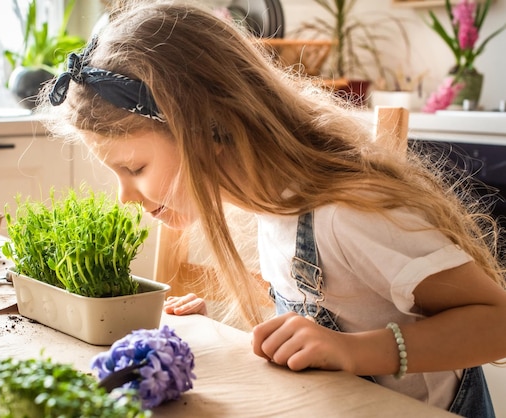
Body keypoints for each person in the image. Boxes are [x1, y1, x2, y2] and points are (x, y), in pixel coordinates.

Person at [39, 0, 506, 415]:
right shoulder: (266, 200)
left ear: (207, 126)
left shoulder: (347, 215)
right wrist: (247, 315)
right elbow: (337, 301)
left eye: (135, 167)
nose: (126, 197)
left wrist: (353, 351)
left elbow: (496, 322)